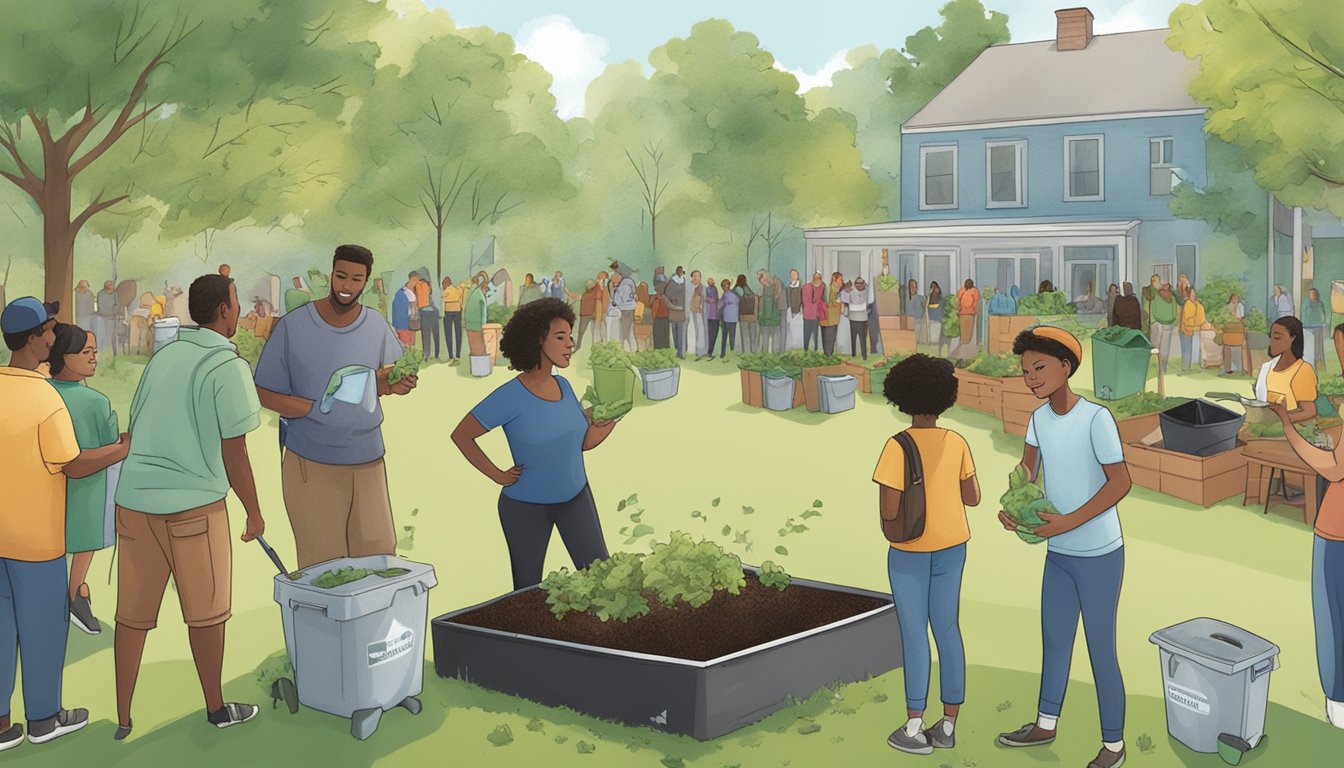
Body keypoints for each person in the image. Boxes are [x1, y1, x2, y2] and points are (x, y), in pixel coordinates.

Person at [112, 274, 266, 738]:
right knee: (207, 612)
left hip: (134, 501)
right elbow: (233, 449)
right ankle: (217, 709)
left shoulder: (164, 356)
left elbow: (138, 424)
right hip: (194, 507)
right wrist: (254, 512)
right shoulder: (228, 366)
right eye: (236, 304)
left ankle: (123, 716)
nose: (238, 311)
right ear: (223, 311)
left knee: (131, 615)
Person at [997, 327, 1131, 768]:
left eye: (1039, 368)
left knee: (1100, 647)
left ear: (1065, 368)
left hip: (1098, 554)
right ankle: (1045, 723)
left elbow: (1121, 483)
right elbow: (1026, 474)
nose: (1031, 378)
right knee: (1054, 641)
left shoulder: (1096, 418)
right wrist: (1013, 509)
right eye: (1025, 371)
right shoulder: (1038, 420)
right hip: (1058, 555)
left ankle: (1113, 745)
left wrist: (1070, 521)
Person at [2, 298, 122, 751]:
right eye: (49, 331)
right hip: (35, 539)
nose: (53, 338)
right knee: (44, 628)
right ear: (34, 341)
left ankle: (0, 724)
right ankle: (44, 719)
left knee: (0, 628)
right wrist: (121, 449)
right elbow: (71, 464)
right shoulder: (43, 397)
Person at [255, 245, 418, 570]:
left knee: (379, 564)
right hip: (312, 466)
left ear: (366, 282)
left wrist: (396, 385)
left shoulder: (375, 325)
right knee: (323, 568)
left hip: (368, 462)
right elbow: (261, 391)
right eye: (341, 276)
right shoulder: (293, 326)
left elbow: (382, 381)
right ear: (332, 274)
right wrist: (308, 408)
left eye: (356, 279)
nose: (346, 286)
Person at [451, 299, 618, 590]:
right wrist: (498, 475)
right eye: (560, 337)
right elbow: (462, 436)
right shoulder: (510, 396)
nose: (570, 344)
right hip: (525, 508)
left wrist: (611, 417)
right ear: (538, 340)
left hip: (576, 498)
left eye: (570, 336)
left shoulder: (564, 386)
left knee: (601, 580)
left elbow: (581, 443)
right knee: (527, 594)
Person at [875, 354, 980, 755]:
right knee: (948, 628)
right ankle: (949, 723)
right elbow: (973, 497)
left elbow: (889, 509)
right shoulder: (956, 442)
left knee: (914, 632)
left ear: (901, 396)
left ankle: (915, 724)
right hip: (953, 544)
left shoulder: (896, 446)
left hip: (910, 551)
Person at [1262, 397, 1344, 730]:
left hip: (1336, 532)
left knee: (1333, 619)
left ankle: (1338, 702)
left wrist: (1288, 427)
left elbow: (1333, 468)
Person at [46, 323, 128, 636]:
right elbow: (111, 447)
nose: (94, 358)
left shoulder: (42, 392)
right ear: (63, 356)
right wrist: (123, 446)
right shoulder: (96, 403)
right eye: (86, 352)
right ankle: (75, 591)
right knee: (83, 541)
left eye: (94, 351)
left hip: (44, 496)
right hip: (86, 490)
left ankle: (70, 595)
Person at [1256, 316, 1318, 424]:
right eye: (1271, 337)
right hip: (1264, 426)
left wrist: (1284, 420)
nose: (1272, 342)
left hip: (1289, 431)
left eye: (1277, 338)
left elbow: (1309, 411)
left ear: (1292, 338)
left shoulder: (1302, 370)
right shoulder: (1267, 368)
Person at [1149, 282, 1178, 373]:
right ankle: (1162, 367)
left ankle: (1162, 367)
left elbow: (1174, 312)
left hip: (1163, 324)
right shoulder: (1159, 297)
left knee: (1161, 348)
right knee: (1162, 347)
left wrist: (1154, 321)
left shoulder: (1168, 298)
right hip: (1162, 324)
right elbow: (1174, 312)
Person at [1178, 287, 1206, 371]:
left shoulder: (1198, 305)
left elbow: (1202, 318)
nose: (1193, 295)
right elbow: (1188, 320)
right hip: (1186, 330)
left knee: (1194, 349)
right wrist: (1196, 324)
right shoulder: (1187, 304)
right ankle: (1185, 367)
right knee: (1186, 349)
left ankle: (1192, 366)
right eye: (1192, 293)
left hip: (1195, 330)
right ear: (1189, 294)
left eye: (1194, 293)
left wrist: (1199, 325)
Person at [414, 271, 440, 360]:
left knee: (426, 334)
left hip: (426, 311)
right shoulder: (426, 285)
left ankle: (428, 354)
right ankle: (434, 354)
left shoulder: (419, 286)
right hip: (430, 311)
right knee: (433, 334)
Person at [845, 277, 872, 361]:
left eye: (861, 283)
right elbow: (848, 304)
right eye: (857, 283)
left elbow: (868, 305)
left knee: (862, 338)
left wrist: (864, 309)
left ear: (864, 283)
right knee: (853, 337)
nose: (859, 285)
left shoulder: (867, 292)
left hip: (863, 319)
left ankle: (864, 356)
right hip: (853, 318)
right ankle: (853, 354)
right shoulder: (851, 292)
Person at [1222, 292, 1250, 375]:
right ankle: (1228, 368)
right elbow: (1225, 318)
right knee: (1227, 348)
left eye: (1236, 298)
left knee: (1243, 346)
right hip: (1230, 332)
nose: (1235, 300)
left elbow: (1241, 318)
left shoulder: (1240, 306)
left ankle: (1244, 368)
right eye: (1233, 298)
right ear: (1231, 299)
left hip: (1237, 332)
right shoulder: (1227, 307)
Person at [757, 270, 783, 354]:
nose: (760, 281)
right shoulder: (765, 288)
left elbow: (776, 298)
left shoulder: (775, 284)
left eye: (760, 277)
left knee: (774, 335)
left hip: (773, 315)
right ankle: (765, 353)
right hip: (766, 316)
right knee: (765, 336)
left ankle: (775, 353)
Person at [612, 268, 637, 352]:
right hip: (632, 308)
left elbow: (617, 300)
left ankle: (622, 349)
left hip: (624, 309)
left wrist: (614, 300)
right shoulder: (631, 283)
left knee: (622, 329)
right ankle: (633, 349)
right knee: (630, 328)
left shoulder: (622, 286)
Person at [465, 272, 489, 357]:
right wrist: (484, 326)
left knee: (474, 350)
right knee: (479, 351)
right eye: (486, 289)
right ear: (483, 287)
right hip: (477, 327)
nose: (487, 292)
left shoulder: (472, 291)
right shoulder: (480, 296)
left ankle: (477, 368)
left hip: (469, 325)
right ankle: (480, 368)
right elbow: (483, 316)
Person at [1304, 288, 1328, 369]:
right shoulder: (1306, 304)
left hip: (1318, 327)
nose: (1312, 295)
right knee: (1309, 347)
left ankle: (1320, 365)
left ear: (1316, 295)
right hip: (1307, 328)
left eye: (1314, 294)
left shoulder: (1320, 304)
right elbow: (1304, 315)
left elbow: (1323, 315)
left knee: (1318, 347)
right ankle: (1310, 364)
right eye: (1310, 294)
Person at [442, 275, 464, 364]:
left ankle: (451, 356)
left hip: (448, 312)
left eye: (443, 283)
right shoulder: (458, 290)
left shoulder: (447, 291)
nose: (443, 285)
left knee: (448, 334)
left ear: (447, 283)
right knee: (458, 334)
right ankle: (457, 356)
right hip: (457, 312)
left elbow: (444, 297)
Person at [668, 267, 688, 359]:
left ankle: (681, 353)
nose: (681, 273)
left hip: (682, 311)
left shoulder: (685, 282)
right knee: (675, 332)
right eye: (680, 272)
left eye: (683, 272)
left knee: (682, 332)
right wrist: (673, 299)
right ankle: (676, 350)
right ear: (677, 272)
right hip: (674, 310)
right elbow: (667, 292)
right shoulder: (672, 281)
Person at [803, 271, 826, 352]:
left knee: (815, 333)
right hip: (808, 315)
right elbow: (807, 302)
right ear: (813, 279)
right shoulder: (808, 287)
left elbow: (822, 299)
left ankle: (815, 349)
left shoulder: (822, 287)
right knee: (807, 333)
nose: (819, 280)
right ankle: (806, 349)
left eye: (819, 278)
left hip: (816, 315)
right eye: (817, 278)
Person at [735, 274, 758, 354]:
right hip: (750, 315)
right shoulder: (746, 288)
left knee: (746, 335)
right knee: (751, 335)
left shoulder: (736, 289)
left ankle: (747, 352)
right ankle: (751, 352)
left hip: (743, 315)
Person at [575, 278, 601, 351]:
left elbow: (597, 284)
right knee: (581, 331)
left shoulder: (595, 290)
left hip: (590, 314)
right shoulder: (586, 293)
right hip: (585, 314)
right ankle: (578, 346)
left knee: (595, 330)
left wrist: (594, 312)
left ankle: (597, 346)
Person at [95, 281, 119, 354]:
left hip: (113, 318)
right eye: (110, 285)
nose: (112, 287)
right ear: (106, 286)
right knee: (106, 337)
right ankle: (105, 354)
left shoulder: (115, 294)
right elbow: (101, 307)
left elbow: (117, 305)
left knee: (114, 338)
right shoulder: (101, 294)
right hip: (104, 318)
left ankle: (114, 353)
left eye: (112, 285)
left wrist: (115, 312)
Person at [391, 275, 414, 347]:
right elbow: (397, 312)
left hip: (408, 324)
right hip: (404, 325)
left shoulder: (405, 293)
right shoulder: (400, 294)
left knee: (408, 344)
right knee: (406, 344)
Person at [956, 279, 979, 348]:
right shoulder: (975, 291)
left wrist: (958, 308)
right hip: (971, 312)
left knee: (963, 327)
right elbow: (975, 302)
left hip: (962, 312)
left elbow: (958, 300)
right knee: (969, 327)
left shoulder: (961, 290)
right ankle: (967, 341)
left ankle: (963, 341)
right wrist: (976, 310)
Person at [719, 278, 739, 356]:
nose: (723, 287)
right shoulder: (725, 294)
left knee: (731, 337)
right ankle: (723, 353)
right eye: (722, 285)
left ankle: (731, 351)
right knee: (724, 337)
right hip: (725, 319)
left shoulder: (732, 295)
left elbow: (721, 305)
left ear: (728, 285)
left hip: (731, 319)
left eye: (724, 285)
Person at [905, 279, 926, 349]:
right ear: (909, 287)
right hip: (907, 320)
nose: (914, 289)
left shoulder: (920, 298)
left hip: (917, 320)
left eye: (915, 287)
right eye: (912, 287)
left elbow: (926, 302)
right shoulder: (906, 298)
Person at [785, 269, 803, 351]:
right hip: (790, 310)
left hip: (799, 311)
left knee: (798, 329)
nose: (793, 276)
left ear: (798, 275)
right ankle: (791, 347)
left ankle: (798, 347)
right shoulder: (788, 287)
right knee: (791, 329)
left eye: (795, 274)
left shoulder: (801, 287)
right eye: (791, 274)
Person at [650, 279, 671, 350]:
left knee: (664, 335)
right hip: (658, 319)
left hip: (664, 318)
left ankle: (664, 349)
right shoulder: (655, 298)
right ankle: (659, 349)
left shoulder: (665, 298)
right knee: (658, 335)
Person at [690, 270, 706, 357]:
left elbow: (703, 300)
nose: (696, 278)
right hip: (689, 312)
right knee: (691, 330)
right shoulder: (689, 287)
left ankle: (700, 351)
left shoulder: (702, 288)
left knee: (700, 330)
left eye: (698, 276)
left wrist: (700, 307)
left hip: (698, 312)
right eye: (694, 276)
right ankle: (691, 350)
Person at [703, 278, 721, 360]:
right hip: (709, 316)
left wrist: (711, 300)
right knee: (710, 334)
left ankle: (711, 351)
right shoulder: (707, 289)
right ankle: (709, 352)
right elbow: (706, 299)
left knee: (713, 334)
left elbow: (716, 299)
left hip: (715, 316)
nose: (711, 284)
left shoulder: (715, 289)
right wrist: (709, 300)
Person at [927, 281, 945, 355]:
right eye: (933, 287)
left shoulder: (941, 299)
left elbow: (939, 307)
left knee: (939, 337)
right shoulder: (929, 298)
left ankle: (939, 351)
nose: (934, 289)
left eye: (936, 287)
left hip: (939, 320)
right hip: (931, 320)